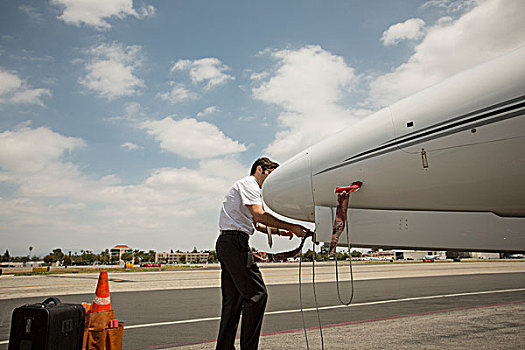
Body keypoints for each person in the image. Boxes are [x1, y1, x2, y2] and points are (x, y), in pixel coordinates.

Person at [216, 157, 307, 350]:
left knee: (234, 300)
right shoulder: (250, 185)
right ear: (260, 169)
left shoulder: (245, 187)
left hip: (228, 242)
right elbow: (259, 215)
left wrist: (280, 231)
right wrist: (293, 226)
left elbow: (255, 224)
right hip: (235, 243)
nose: (271, 181)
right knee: (258, 295)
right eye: (271, 175)